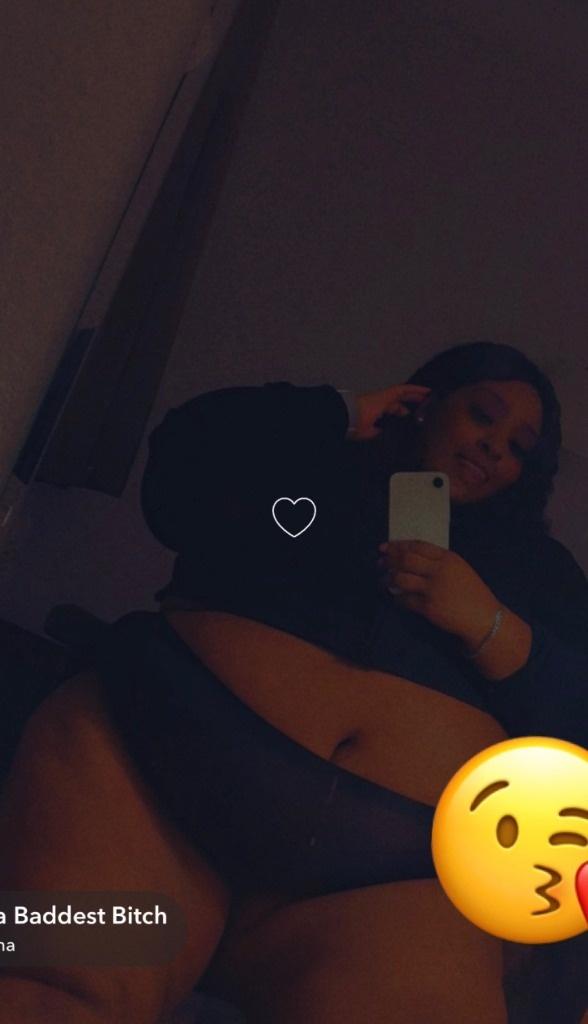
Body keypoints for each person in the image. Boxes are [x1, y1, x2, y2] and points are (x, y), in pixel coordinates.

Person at [0, 342, 586, 1023]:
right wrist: (337, 411)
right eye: (482, 415)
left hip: (393, 873)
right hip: (155, 763)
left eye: (518, 449)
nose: (493, 447)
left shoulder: (541, 570)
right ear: (425, 404)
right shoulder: (306, 464)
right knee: (51, 995)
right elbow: (178, 466)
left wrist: (489, 624)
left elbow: (576, 719)